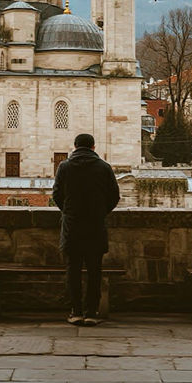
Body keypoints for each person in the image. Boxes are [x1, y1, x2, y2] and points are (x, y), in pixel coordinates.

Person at [52, 133, 120, 325]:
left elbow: (57, 194)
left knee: (73, 270)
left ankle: (76, 311)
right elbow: (114, 196)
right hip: (95, 225)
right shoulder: (104, 167)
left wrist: (68, 211)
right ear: (93, 147)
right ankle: (92, 312)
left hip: (72, 226)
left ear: (75, 146)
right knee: (94, 271)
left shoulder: (64, 167)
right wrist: (100, 212)